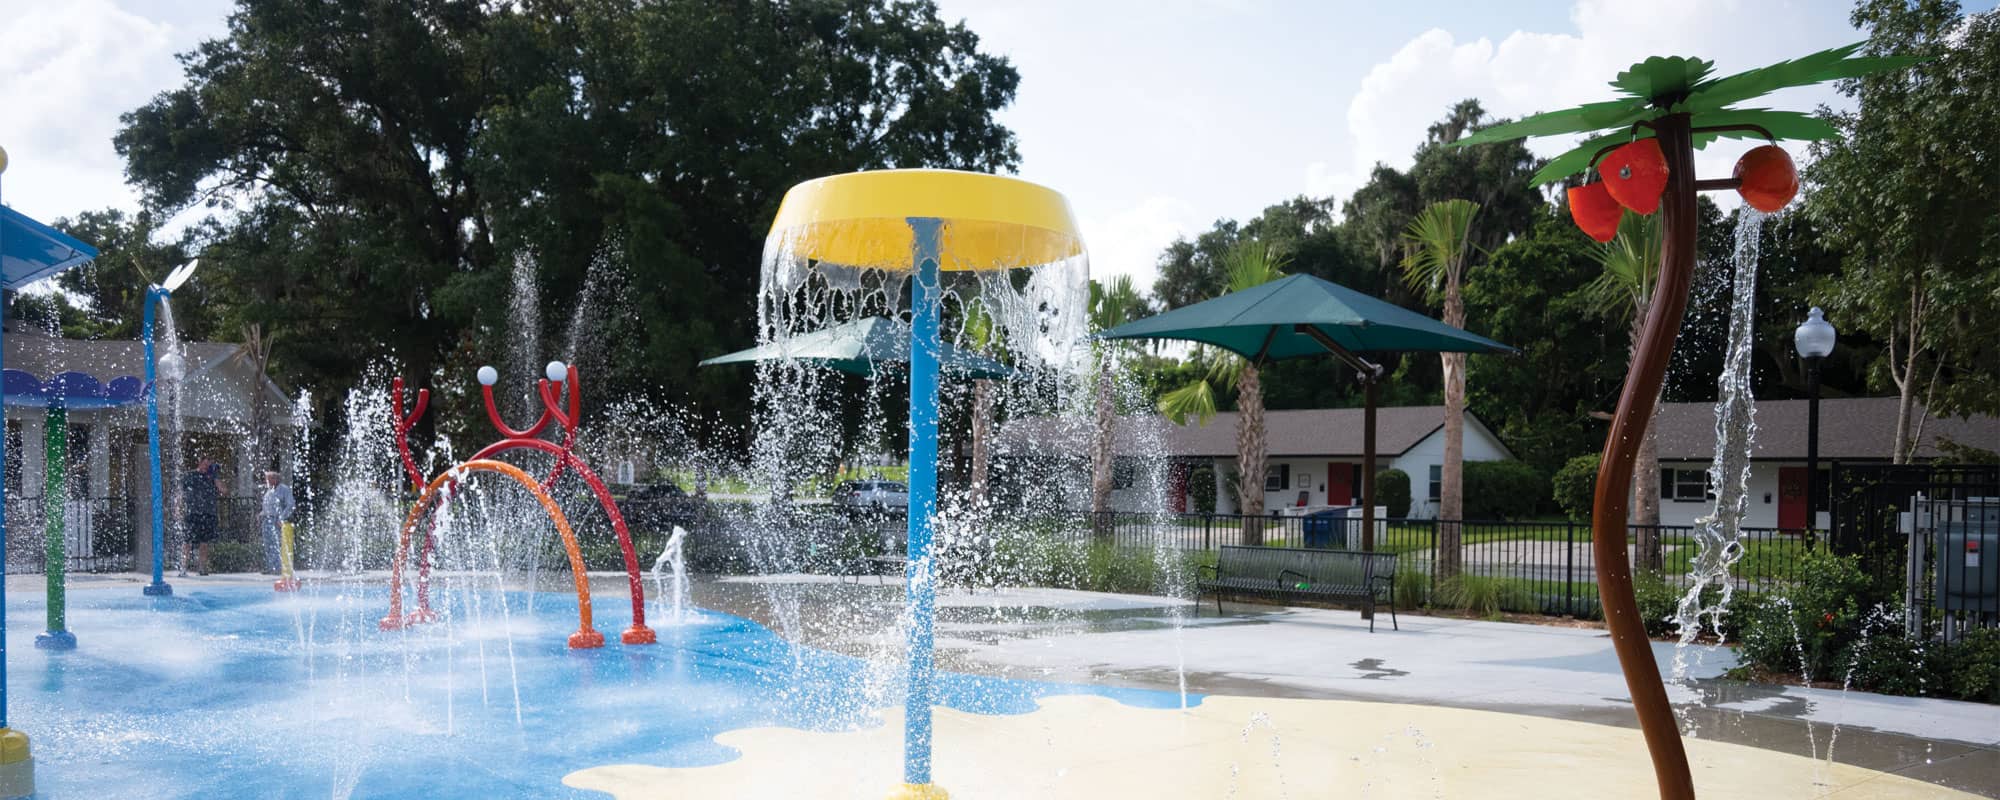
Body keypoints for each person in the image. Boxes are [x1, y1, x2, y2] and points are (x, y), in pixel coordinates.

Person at [181, 459, 222, 574]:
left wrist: (215, 477)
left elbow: (224, 490)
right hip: (192, 512)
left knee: (204, 543)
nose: (206, 466)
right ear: (199, 463)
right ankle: (183, 567)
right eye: (205, 464)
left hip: (208, 513)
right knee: (187, 541)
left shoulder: (212, 477)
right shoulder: (190, 475)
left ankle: (202, 568)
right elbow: (181, 492)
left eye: (209, 465)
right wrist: (178, 507)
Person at [258, 470, 296, 574]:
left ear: (275, 479)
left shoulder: (284, 489)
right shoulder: (269, 490)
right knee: (268, 544)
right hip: (266, 519)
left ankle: (279, 568)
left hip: (276, 520)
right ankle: (271, 567)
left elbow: (291, 505)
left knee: (276, 544)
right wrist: (261, 514)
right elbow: (268, 506)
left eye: (268, 479)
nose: (266, 481)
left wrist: (282, 518)